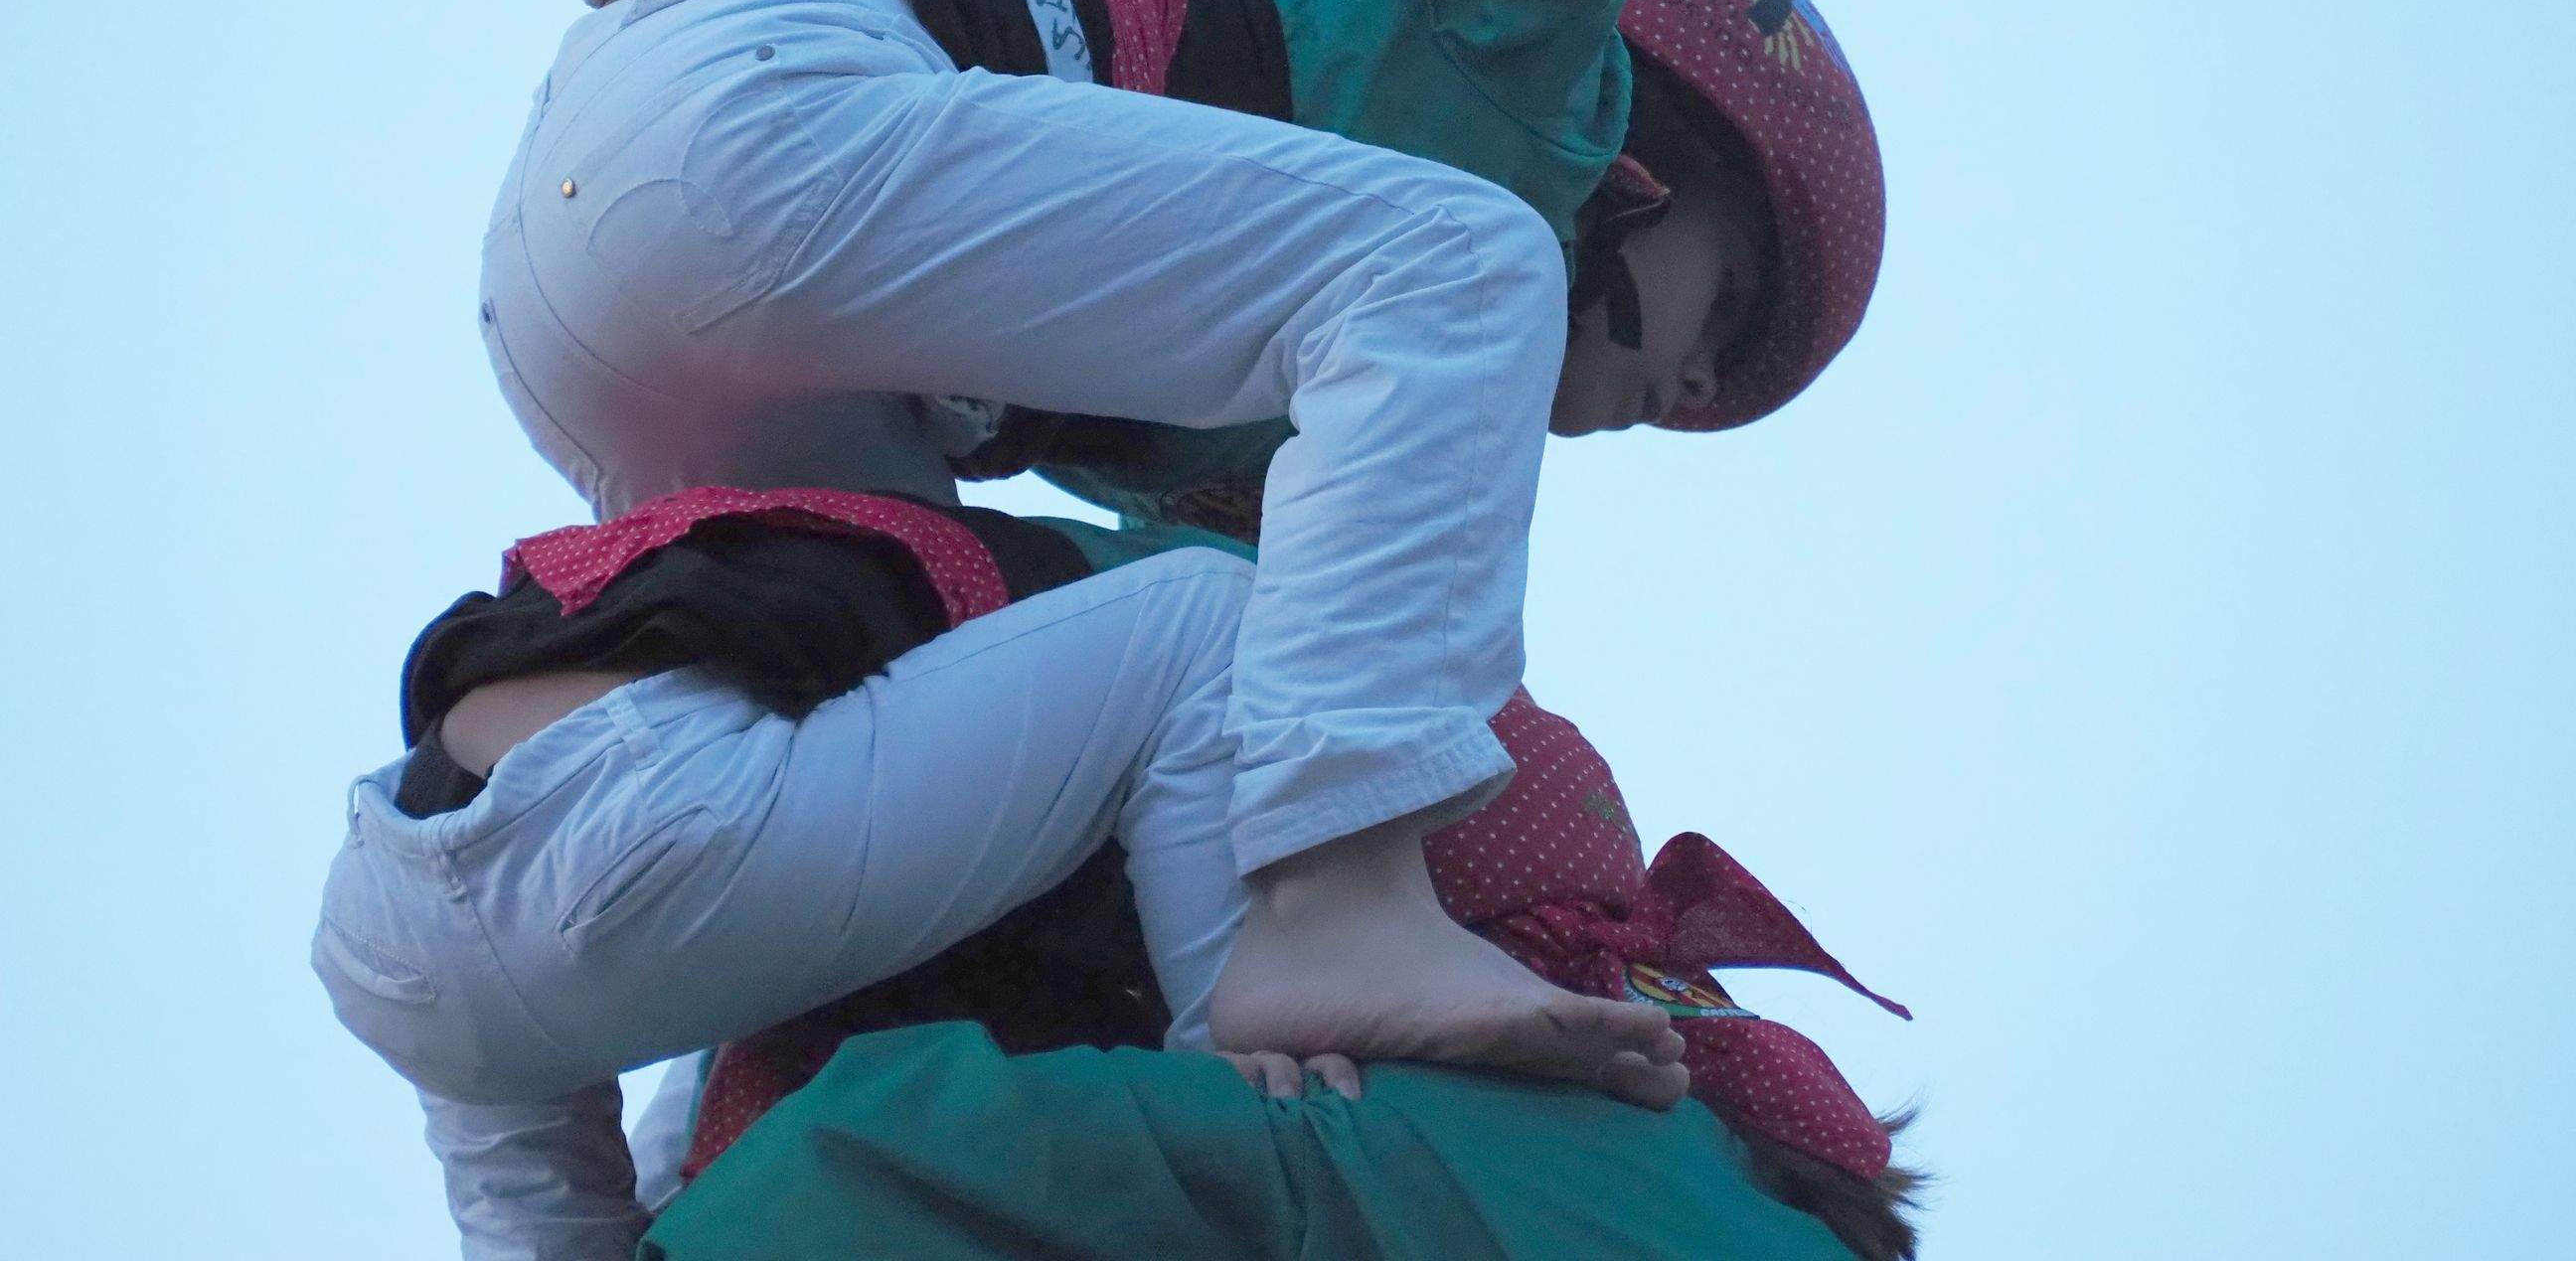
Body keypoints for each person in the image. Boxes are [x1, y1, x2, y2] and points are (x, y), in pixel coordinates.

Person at [474, 0, 2381, 1093]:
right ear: (1646, 155)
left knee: (880, 707)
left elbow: (1284, 680)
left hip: (614, 336)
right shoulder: (1509, 38)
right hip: (745, 146)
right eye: (1705, 322)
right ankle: (1339, 918)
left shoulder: (1285, 431)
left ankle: (658, 1157)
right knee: (1458, 270)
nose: (1669, 402)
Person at [316, 488, 1907, 1259]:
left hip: (406, 896)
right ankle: (1249, 1003)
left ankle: (1259, 985)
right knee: (1208, 620)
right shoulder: (1535, 1147)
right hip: (638, 818)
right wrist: (1239, 1047)